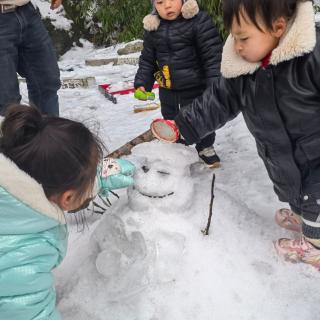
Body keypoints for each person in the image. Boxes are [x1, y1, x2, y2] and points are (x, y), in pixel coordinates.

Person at [151, 0, 320, 269]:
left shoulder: (311, 56)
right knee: (296, 190)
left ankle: (314, 246)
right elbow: (217, 102)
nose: (236, 46)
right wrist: (183, 126)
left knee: (317, 195)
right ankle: (305, 219)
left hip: (316, 155)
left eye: (243, 38)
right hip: (282, 156)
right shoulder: (243, 68)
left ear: (278, 27)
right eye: (233, 36)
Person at [0, 105, 135, 319]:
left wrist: (98, 178)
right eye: (88, 179)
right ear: (68, 197)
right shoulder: (21, 255)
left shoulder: (15, 169)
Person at [134, 0, 223, 167]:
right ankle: (178, 149)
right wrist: (142, 83)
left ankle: (205, 147)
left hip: (196, 87)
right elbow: (147, 61)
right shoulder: (154, 29)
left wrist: (214, 84)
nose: (167, 5)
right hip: (168, 90)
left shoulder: (198, 21)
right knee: (171, 119)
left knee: (201, 118)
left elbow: (212, 57)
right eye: (160, 2)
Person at [0, 0, 62, 116]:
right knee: (7, 100)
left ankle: (47, 133)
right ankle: (14, 134)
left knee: (47, 83)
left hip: (27, 11)